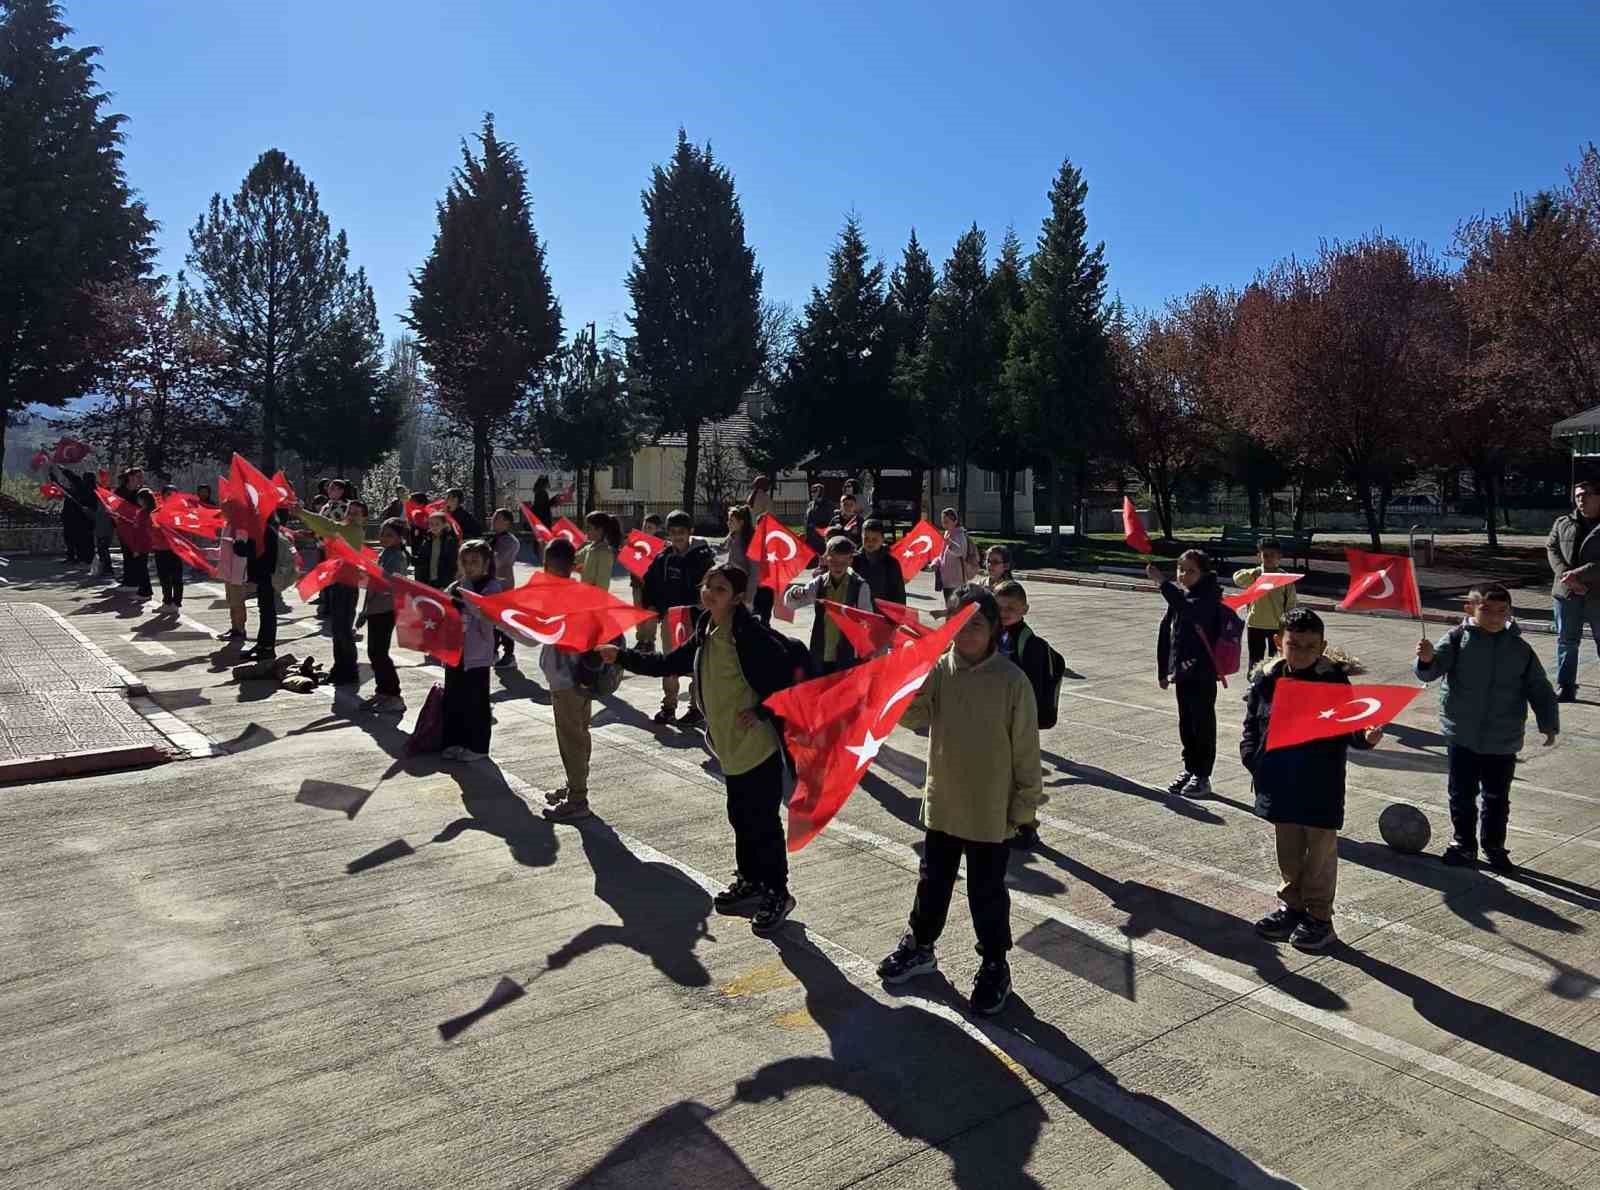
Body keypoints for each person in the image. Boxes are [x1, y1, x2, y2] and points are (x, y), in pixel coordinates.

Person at [600, 564, 804, 938]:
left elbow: (792, 678)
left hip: (757, 747)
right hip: (728, 746)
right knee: (740, 817)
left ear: (738, 597)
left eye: (721, 589)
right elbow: (669, 663)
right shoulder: (707, 629)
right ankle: (751, 880)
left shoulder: (750, 634)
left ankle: (778, 892)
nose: (710, 593)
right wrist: (622, 657)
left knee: (764, 823)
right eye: (707, 585)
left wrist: (761, 711)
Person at [875, 586, 1042, 1017]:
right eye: (959, 624)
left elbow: (1026, 752)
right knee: (932, 881)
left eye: (978, 625)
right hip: (945, 802)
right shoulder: (941, 670)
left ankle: (993, 963)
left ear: (994, 629)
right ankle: (921, 945)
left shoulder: (1012, 682)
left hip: (990, 810)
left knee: (986, 892)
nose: (968, 633)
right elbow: (914, 718)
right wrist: (907, 680)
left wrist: (1024, 810)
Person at [1242, 607, 1383, 952]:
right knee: (1288, 851)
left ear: (1322, 646)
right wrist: (1252, 757)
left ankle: (1320, 917)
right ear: (1279, 643)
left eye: (1310, 646)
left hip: (1320, 780)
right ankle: (1293, 907)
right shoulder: (1267, 678)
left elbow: (1351, 726)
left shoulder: (1333, 681)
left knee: (1319, 853)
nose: (1302, 652)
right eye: (1295, 644)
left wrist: (1366, 737)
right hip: (1278, 778)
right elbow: (1252, 723)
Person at [1415, 584, 1560, 872]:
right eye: (1486, 610)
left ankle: (1494, 847)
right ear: (1470, 610)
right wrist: (1426, 658)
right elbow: (1432, 672)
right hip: (1462, 734)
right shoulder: (1457, 639)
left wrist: (1549, 724)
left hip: (1502, 738)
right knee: (1461, 794)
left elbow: (1539, 688)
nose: (1495, 617)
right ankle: (1464, 844)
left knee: (1496, 798)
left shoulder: (1520, 649)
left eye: (1501, 611)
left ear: (1509, 613)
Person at [1147, 549, 1224, 799]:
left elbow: (1189, 612)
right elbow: (1166, 634)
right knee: (1187, 724)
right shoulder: (1183, 596)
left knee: (1202, 724)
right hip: (1182, 673)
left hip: (1202, 673)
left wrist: (1162, 583)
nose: (1184, 575)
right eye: (1181, 569)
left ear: (1204, 573)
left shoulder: (1208, 598)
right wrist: (1163, 670)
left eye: (1191, 570)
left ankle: (1203, 775)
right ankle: (1190, 768)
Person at [536, 538, 597, 822]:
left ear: (546, 566)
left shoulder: (553, 597)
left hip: (564, 679)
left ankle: (577, 798)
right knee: (581, 734)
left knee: (570, 738)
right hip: (584, 677)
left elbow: (531, 635)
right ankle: (575, 785)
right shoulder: (582, 592)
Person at [640, 509, 716, 724]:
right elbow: (650, 582)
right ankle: (669, 706)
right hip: (670, 618)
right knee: (669, 662)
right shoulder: (663, 557)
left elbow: (713, 583)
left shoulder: (702, 557)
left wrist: (707, 603)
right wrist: (652, 605)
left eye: (681, 532)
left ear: (690, 532)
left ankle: (695, 707)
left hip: (696, 617)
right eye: (672, 532)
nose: (677, 536)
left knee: (694, 663)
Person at [440, 539, 505, 762]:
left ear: (486, 563)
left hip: (477, 656)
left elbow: (489, 617)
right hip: (455, 652)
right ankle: (454, 741)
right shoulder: (458, 585)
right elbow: (441, 604)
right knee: (453, 698)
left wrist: (466, 602)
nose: (469, 566)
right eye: (465, 561)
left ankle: (477, 747)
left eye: (474, 561)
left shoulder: (492, 587)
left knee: (476, 702)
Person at [783, 535, 876, 673]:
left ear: (851, 560)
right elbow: (790, 604)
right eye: (834, 561)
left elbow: (868, 621)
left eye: (844, 562)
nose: (838, 566)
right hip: (822, 652)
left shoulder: (860, 586)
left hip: (848, 654)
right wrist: (793, 593)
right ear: (827, 558)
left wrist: (868, 652)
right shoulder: (818, 583)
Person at [301, 498, 368, 686]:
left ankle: (349, 671)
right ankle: (340, 669)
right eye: (349, 511)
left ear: (364, 518)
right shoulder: (344, 529)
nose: (351, 515)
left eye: (356, 513)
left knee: (343, 630)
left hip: (347, 584)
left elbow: (326, 524)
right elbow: (325, 530)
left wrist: (301, 512)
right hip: (338, 582)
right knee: (337, 628)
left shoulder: (353, 531)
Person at [1546, 477, 1600, 702]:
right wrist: (1566, 576)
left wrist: (1579, 575)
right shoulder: (1563, 522)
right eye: (1578, 495)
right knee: (1567, 642)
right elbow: (1551, 548)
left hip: (1597, 595)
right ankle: (1566, 687)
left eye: (1586, 494)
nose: (1581, 499)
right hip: (1566, 594)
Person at [360, 518, 410, 714]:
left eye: (389, 535)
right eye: (382, 534)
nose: (383, 538)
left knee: (379, 652)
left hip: (386, 609)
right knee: (374, 651)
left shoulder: (397, 556)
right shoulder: (385, 553)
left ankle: (395, 695)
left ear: (400, 537)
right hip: (375, 608)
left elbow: (390, 582)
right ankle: (383, 691)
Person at [1233, 538, 1298, 670]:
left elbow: (1291, 602)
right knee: (1255, 659)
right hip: (1255, 623)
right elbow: (1237, 580)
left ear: (1279, 556)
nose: (1268, 558)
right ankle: (1254, 683)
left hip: (1277, 625)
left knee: (1276, 660)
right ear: (1259, 556)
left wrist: (1288, 623)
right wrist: (1253, 572)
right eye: (1265, 555)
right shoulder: (1255, 575)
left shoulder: (1284, 577)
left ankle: (1273, 683)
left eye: (1272, 555)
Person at [234, 513, 282, 661]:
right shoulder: (268, 530)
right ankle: (263, 645)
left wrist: (239, 544)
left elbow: (252, 552)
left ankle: (266, 648)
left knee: (267, 612)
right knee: (265, 611)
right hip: (266, 576)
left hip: (267, 577)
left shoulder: (265, 531)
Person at [488, 508, 521, 668]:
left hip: (504, 586)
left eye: (497, 518)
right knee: (493, 621)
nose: (493, 520)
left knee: (504, 623)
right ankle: (493, 651)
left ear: (507, 522)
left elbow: (497, 561)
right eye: (493, 517)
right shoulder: (495, 539)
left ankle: (509, 655)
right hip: (494, 585)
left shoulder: (510, 541)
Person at [631, 513, 667, 649]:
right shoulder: (637, 542)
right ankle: (641, 639)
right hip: (637, 584)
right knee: (638, 611)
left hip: (652, 586)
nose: (646, 529)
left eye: (650, 527)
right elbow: (631, 562)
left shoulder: (661, 546)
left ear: (656, 529)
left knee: (650, 613)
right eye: (645, 526)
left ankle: (649, 641)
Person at [851, 518, 906, 606]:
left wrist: (898, 616)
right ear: (861, 537)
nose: (870, 542)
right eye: (866, 538)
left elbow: (899, 594)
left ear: (883, 539)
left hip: (882, 613)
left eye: (875, 539)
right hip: (859, 612)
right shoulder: (854, 560)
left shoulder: (891, 563)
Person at [215, 515, 251, 642]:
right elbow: (223, 551)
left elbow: (241, 549)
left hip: (237, 572)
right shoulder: (227, 524)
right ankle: (234, 627)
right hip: (228, 572)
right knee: (231, 601)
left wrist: (236, 539)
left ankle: (240, 629)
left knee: (237, 602)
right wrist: (204, 553)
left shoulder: (241, 524)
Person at [151, 485, 184, 615]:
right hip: (161, 548)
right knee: (164, 577)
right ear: (163, 495)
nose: (171, 497)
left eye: (174, 494)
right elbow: (153, 529)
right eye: (168, 494)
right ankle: (167, 601)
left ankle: (176, 602)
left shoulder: (181, 512)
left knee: (177, 576)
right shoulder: (157, 511)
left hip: (175, 548)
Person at [933, 507, 972, 604]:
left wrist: (949, 543)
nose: (944, 524)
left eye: (946, 521)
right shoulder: (947, 534)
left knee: (955, 609)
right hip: (946, 579)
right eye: (943, 521)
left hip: (956, 580)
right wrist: (935, 562)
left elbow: (960, 552)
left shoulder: (960, 535)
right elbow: (941, 554)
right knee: (949, 606)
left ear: (955, 521)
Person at [724, 504, 760, 610]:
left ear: (741, 523)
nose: (728, 523)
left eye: (731, 520)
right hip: (730, 586)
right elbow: (720, 551)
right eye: (728, 520)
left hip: (743, 589)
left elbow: (754, 571)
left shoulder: (749, 541)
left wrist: (749, 596)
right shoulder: (730, 538)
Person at [126, 488, 156, 601]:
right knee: (141, 568)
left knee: (141, 569)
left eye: (140, 498)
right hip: (141, 544)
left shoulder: (146, 513)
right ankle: (144, 590)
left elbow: (143, 532)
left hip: (142, 544)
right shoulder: (143, 512)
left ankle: (145, 592)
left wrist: (137, 548)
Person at [578, 510, 620, 590]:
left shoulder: (605, 553)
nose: (585, 531)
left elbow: (602, 585)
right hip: (585, 595)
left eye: (588, 528)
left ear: (599, 530)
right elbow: (573, 559)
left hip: (596, 599)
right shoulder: (589, 548)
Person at [416, 511, 458, 590]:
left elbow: (451, 564)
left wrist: (445, 583)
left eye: (437, 524)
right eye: (431, 524)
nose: (434, 527)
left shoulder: (449, 541)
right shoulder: (427, 539)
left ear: (444, 525)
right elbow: (422, 561)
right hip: (428, 580)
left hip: (442, 582)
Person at [803, 483, 832, 557]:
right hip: (810, 538)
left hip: (821, 539)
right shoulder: (810, 504)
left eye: (815, 491)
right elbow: (807, 519)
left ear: (821, 492)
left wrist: (817, 528)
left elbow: (829, 522)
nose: (812, 493)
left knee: (822, 558)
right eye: (811, 491)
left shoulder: (828, 505)